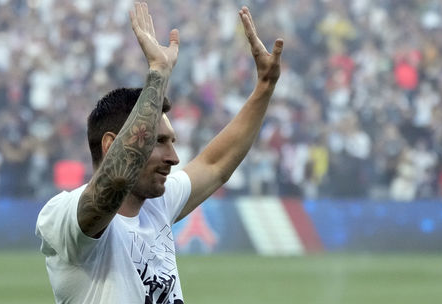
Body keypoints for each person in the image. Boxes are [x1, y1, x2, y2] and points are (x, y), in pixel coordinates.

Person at [35, 3, 283, 303]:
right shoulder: (65, 217)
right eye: (159, 142)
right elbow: (114, 180)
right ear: (111, 145)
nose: (174, 158)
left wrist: (264, 87)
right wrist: (158, 74)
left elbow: (215, 164)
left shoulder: (156, 205)